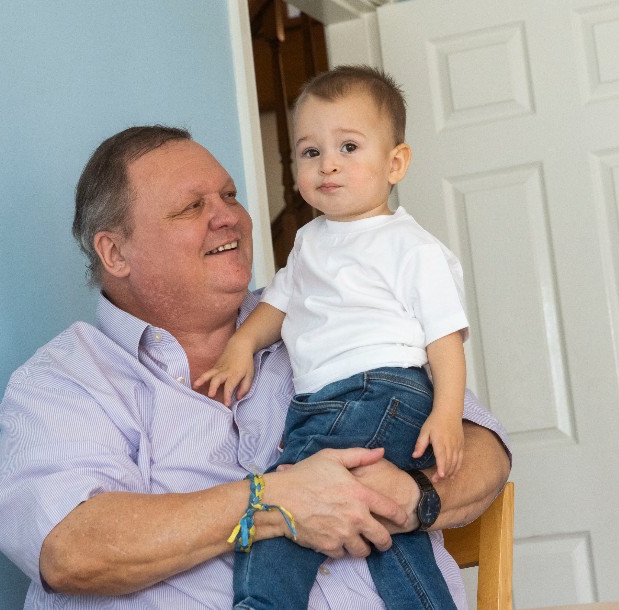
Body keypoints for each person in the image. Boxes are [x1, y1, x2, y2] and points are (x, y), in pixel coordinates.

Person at [0, 124, 512, 610]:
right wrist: (274, 498)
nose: (228, 215)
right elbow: (71, 549)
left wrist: (413, 495)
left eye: (229, 195)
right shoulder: (65, 381)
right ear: (115, 253)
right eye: (191, 207)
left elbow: (484, 449)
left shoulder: (324, 310)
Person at [195, 65, 468, 610]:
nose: (329, 165)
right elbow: (278, 302)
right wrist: (241, 346)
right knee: (384, 523)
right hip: (325, 402)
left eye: (348, 146)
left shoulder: (409, 246)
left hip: (380, 391)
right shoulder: (309, 240)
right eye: (310, 152)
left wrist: (447, 412)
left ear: (395, 163)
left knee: (283, 501)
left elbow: (445, 338)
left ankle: (263, 602)